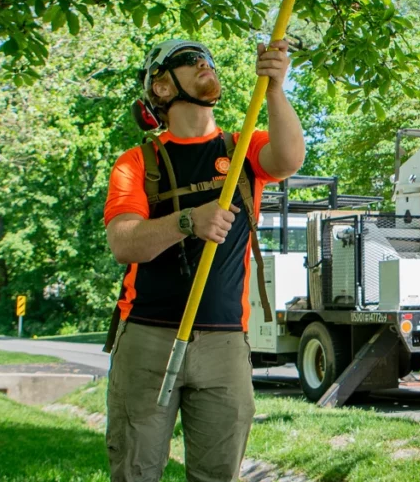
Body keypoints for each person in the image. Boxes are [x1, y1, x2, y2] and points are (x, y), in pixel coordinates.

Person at [102, 38, 305, 482]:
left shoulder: (241, 150)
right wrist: (188, 221)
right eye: (187, 62)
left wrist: (274, 88)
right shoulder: (137, 163)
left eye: (206, 59)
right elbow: (123, 243)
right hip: (146, 340)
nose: (203, 65)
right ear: (160, 86)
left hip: (224, 343)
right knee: (134, 472)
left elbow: (289, 158)